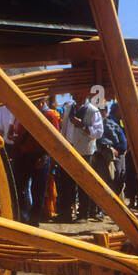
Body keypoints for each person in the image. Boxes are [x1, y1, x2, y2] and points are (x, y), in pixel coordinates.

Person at [55, 90, 102, 222]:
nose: (76, 95)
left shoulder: (93, 111)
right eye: (74, 93)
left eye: (78, 93)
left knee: (84, 184)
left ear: (85, 94)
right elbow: (64, 128)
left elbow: (98, 133)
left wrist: (82, 126)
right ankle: (65, 213)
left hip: (84, 152)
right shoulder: (69, 108)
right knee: (66, 183)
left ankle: (83, 214)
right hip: (68, 150)